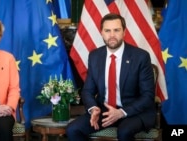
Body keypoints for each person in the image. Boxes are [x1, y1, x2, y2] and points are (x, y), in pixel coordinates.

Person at [66, 13, 156, 141]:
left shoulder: (140, 57)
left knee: (124, 132)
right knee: (73, 129)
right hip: (105, 112)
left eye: (116, 30)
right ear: (101, 32)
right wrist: (93, 109)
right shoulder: (95, 56)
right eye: (107, 30)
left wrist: (121, 112)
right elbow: (87, 91)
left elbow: (147, 96)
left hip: (133, 112)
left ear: (124, 32)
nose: (112, 35)